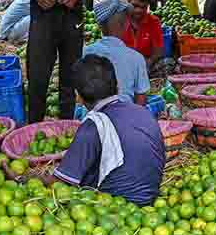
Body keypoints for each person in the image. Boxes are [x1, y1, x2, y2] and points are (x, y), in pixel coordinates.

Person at [50, 55, 165, 206]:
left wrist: (21, 179)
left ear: (78, 97)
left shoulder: (94, 125)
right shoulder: (143, 112)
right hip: (150, 199)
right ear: (118, 87)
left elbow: (61, 183)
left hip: (114, 208)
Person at [82, 0, 150, 105]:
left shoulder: (86, 53)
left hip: (95, 116)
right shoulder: (136, 58)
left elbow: (82, 94)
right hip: (126, 116)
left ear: (100, 26)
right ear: (125, 25)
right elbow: (141, 100)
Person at [121, 0, 165, 71]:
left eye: (143, 7)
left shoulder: (154, 22)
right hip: (123, 64)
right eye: (135, 6)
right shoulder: (120, 19)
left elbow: (158, 51)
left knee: (167, 63)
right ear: (129, 1)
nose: (138, 11)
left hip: (146, 63)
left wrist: (148, 62)